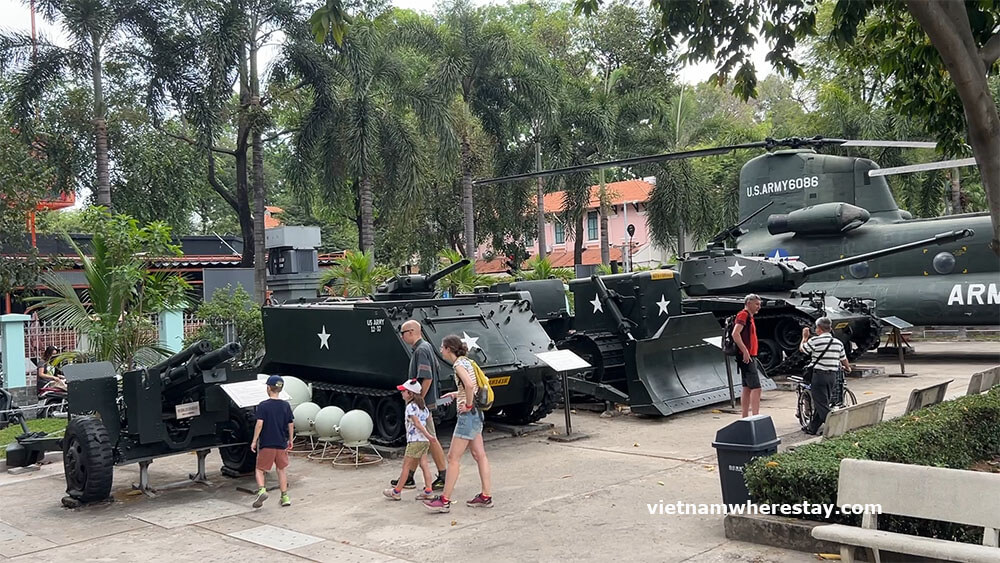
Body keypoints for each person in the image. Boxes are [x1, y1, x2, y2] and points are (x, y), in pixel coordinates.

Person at [424, 334, 492, 513]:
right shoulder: (468, 362)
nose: (441, 350)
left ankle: (444, 500)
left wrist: (467, 405)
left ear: (448, 349)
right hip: (477, 413)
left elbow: (469, 385)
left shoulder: (458, 365)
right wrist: (456, 394)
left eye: (442, 347)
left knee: (453, 458)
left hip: (467, 416)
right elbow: (472, 385)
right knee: (480, 455)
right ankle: (486, 495)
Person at [394, 320, 447, 491]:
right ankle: (408, 476)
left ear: (411, 332)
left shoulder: (421, 350)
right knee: (419, 439)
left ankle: (443, 475)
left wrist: (419, 402)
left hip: (424, 405)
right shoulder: (427, 347)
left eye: (403, 333)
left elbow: (427, 377)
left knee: (430, 438)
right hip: (427, 403)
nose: (402, 336)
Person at [384, 378, 438, 501]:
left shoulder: (410, 407)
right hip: (424, 441)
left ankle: (396, 491)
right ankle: (428, 490)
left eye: (404, 391)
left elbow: (417, 423)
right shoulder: (423, 407)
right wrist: (428, 436)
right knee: (424, 464)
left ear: (411, 394)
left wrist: (428, 435)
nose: (402, 393)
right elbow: (426, 421)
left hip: (414, 441)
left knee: (406, 467)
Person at [800, 317, 851, 435]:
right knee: (823, 401)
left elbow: (802, 349)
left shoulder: (815, 341)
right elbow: (843, 359)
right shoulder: (838, 343)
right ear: (830, 328)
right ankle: (812, 428)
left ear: (819, 328)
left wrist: (804, 338)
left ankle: (836, 425)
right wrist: (848, 368)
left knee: (821, 404)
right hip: (832, 377)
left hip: (819, 376)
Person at [250, 375, 294, 508]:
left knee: (259, 469)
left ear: (268, 388)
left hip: (267, 444)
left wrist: (254, 440)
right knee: (281, 470)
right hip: (281, 443)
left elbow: (259, 424)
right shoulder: (285, 405)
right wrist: (290, 439)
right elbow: (290, 423)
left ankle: (262, 490)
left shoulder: (263, 406)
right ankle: (285, 497)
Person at [732, 294, 763, 417]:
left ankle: (745, 415)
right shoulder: (743, 315)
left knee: (747, 387)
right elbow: (735, 333)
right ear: (748, 303)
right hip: (747, 355)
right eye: (756, 304)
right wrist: (745, 350)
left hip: (749, 355)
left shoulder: (749, 317)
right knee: (756, 387)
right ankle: (755, 415)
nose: (759, 307)